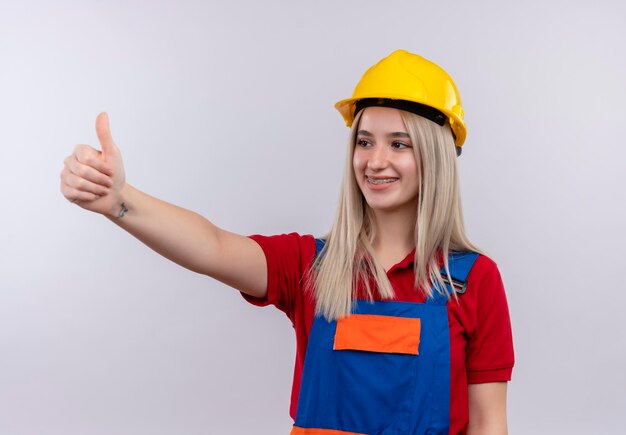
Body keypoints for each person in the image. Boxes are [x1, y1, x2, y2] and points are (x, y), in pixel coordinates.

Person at [60, 49, 514, 435]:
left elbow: (488, 424)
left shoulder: (471, 281)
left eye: (399, 144)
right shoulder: (312, 265)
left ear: (435, 155)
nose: (376, 161)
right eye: (364, 141)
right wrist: (120, 200)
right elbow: (213, 246)